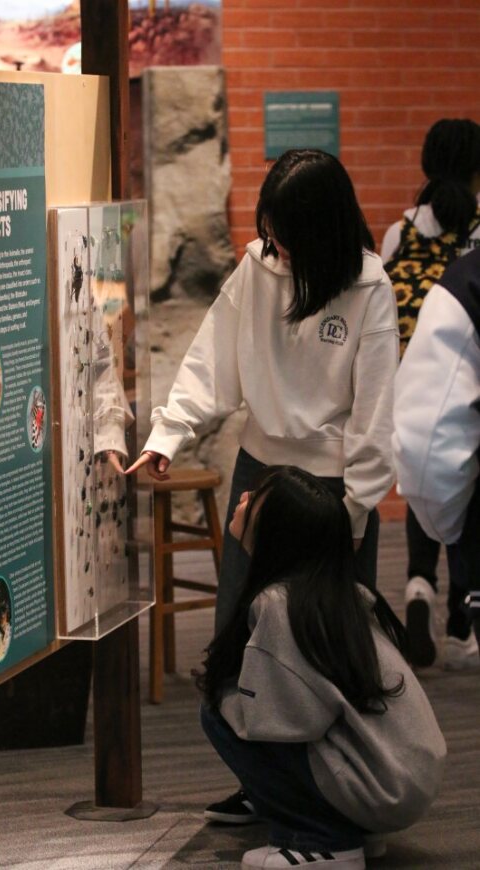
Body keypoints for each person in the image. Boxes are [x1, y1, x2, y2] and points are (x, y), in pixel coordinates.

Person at [127, 148, 398, 822]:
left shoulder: (367, 287)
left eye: (283, 234)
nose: (272, 245)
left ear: (321, 229)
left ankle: (345, 800)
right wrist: (167, 436)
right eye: (268, 231)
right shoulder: (257, 269)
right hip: (261, 475)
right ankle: (265, 787)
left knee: (334, 650)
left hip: (333, 494)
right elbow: (210, 362)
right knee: (239, 645)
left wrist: (354, 516)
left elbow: (375, 418)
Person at [196, 466, 445, 870]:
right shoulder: (339, 593)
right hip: (403, 776)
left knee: (216, 711)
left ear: (276, 531)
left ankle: (322, 840)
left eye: (256, 497)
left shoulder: (279, 605)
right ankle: (349, 827)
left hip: (382, 784)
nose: (242, 497)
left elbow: (287, 723)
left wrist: (230, 701)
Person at [381, 118, 480, 670]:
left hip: (412, 374)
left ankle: (419, 583)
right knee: (469, 484)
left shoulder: (402, 230)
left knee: (424, 472)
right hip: (470, 370)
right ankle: (464, 618)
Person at [393, 247, 480, 650]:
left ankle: (420, 584)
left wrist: (453, 529)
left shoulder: (404, 235)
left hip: (428, 371)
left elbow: (428, 449)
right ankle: (458, 628)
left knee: (437, 472)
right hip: (446, 371)